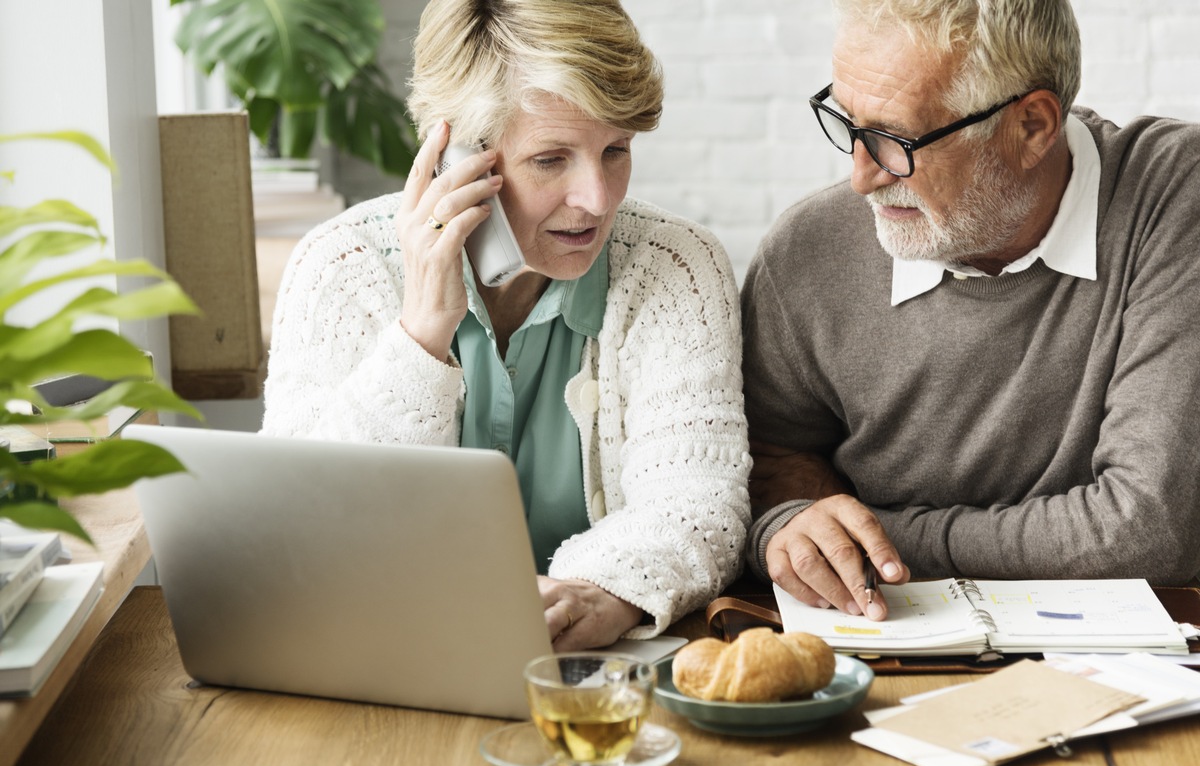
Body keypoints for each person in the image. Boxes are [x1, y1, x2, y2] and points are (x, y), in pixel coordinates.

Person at [261, 0, 750, 650]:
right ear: (457, 153)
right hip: (392, 665)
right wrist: (419, 337)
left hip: (595, 670)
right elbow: (297, 527)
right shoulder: (339, 268)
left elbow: (699, 501)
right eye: (551, 160)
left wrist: (598, 591)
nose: (597, 200)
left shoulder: (675, 267)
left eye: (616, 150)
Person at [742, 0, 1200, 622]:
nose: (861, 178)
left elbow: (1149, 528)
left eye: (895, 140)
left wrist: (877, 539)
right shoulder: (804, 255)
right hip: (885, 642)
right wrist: (796, 526)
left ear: (1033, 127)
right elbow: (763, 468)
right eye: (848, 123)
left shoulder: (1173, 197)